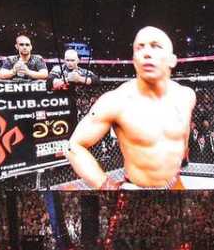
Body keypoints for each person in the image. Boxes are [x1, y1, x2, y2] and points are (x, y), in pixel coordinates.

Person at [64, 26, 195, 190]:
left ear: (172, 60)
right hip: (137, 188)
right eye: (140, 47)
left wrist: (182, 159)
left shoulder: (186, 96)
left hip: (175, 183)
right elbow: (73, 146)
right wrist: (108, 187)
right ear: (134, 59)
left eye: (156, 46)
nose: (147, 53)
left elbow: (184, 134)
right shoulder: (116, 101)